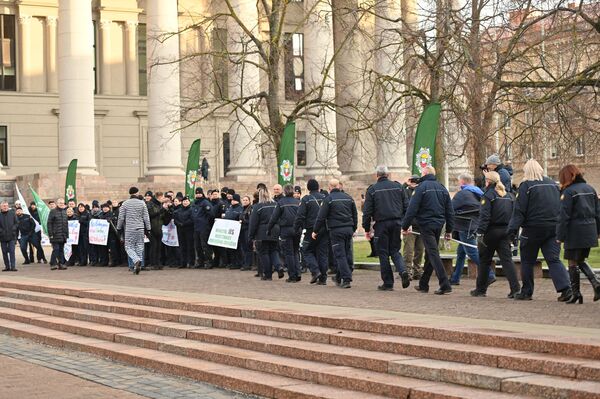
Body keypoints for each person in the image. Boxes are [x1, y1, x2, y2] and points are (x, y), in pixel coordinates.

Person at [508, 159, 572, 301]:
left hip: (532, 228)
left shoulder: (526, 186)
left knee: (527, 261)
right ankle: (566, 288)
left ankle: (527, 291)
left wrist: (512, 231)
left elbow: (519, 211)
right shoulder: (552, 184)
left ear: (526, 171)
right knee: (553, 259)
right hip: (553, 227)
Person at [402, 166, 454, 295]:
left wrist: (404, 226)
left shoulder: (421, 188)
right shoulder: (442, 188)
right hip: (438, 225)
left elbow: (412, 209)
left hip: (426, 224)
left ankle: (444, 283)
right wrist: (449, 230)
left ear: (424, 173)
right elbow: (449, 211)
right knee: (432, 253)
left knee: (433, 254)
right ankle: (424, 283)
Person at [470, 171, 520, 298]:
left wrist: (480, 233)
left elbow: (484, 217)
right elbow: (514, 216)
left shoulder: (488, 196)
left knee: (485, 261)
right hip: (505, 231)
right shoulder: (509, 196)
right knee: (507, 261)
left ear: (488, 181)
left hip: (490, 232)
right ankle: (515, 289)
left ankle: (480, 289)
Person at [556, 165, 600, 303]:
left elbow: (564, 217)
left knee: (572, 261)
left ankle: (577, 293)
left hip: (575, 231)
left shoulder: (568, 192)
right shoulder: (590, 189)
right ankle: (595, 284)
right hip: (589, 230)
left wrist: (560, 236)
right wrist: (598, 231)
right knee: (580, 260)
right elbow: (598, 213)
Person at [362, 166, 410, 291]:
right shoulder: (398, 187)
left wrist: (366, 228)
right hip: (396, 222)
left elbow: (367, 212)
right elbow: (406, 206)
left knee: (383, 253)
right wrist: (405, 223)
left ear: (377, 175)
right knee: (395, 251)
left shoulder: (372, 190)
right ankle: (403, 270)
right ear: (388, 174)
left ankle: (388, 282)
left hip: (381, 224)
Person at [449, 173, 496, 285]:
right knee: (461, 252)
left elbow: (450, 208)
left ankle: (489, 274)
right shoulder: (479, 192)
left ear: (462, 182)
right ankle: (455, 278)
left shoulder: (462, 194)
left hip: (465, 226)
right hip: (475, 225)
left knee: (471, 252)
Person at [313, 179, 358, 289]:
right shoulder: (349, 198)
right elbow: (355, 214)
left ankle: (346, 278)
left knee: (339, 255)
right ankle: (338, 277)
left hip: (336, 230)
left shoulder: (328, 199)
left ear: (329, 187)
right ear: (339, 186)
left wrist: (315, 230)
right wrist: (354, 228)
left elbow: (321, 217)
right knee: (346, 254)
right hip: (348, 229)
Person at [295, 179, 328, 285]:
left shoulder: (306, 199)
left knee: (306, 250)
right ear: (318, 187)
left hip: (311, 229)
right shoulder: (325, 198)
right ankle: (323, 278)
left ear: (308, 188)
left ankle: (315, 271)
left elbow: (300, 215)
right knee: (322, 253)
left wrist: (296, 227)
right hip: (324, 229)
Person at [268, 184, 301, 282]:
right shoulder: (298, 202)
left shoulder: (281, 202)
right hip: (297, 229)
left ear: (284, 192)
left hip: (286, 230)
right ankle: (298, 272)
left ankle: (292, 276)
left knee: (289, 253)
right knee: (295, 251)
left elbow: (274, 217)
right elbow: (302, 216)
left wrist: (269, 228)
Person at [249, 188, 281, 280]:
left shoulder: (258, 206)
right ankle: (279, 266)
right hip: (275, 230)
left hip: (262, 232)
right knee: (274, 251)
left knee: (264, 253)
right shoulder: (275, 204)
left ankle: (268, 274)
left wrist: (251, 236)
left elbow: (253, 222)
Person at [117, 187, 151, 274]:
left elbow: (121, 217)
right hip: (140, 228)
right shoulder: (142, 203)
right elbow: (146, 217)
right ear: (137, 193)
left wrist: (119, 228)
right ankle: (138, 265)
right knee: (139, 246)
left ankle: (136, 260)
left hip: (130, 228)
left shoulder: (125, 204)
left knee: (128, 246)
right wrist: (148, 228)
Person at [402, 175, 424, 280]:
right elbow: (399, 194)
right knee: (408, 250)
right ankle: (407, 271)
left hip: (420, 225)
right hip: (410, 226)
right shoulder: (405, 192)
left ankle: (417, 270)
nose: (414, 182)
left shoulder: (422, 191)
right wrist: (406, 183)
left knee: (420, 250)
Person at [192, 187, 213, 269]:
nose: (198, 194)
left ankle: (208, 261)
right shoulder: (194, 203)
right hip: (196, 227)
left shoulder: (205, 202)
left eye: (199, 193)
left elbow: (211, 214)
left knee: (205, 245)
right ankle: (200, 261)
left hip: (204, 227)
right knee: (197, 246)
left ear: (202, 193)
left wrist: (206, 222)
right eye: (197, 193)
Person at [224, 194, 244, 269]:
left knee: (237, 248)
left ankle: (239, 263)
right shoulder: (229, 208)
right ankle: (233, 262)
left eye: (234, 200)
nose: (232, 201)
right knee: (230, 248)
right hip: (229, 230)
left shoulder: (240, 208)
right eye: (232, 200)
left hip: (236, 230)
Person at [173, 196, 195, 268]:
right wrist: (179, 223)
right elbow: (175, 219)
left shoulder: (191, 210)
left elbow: (192, 219)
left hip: (189, 230)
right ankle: (183, 263)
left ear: (189, 202)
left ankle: (191, 262)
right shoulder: (179, 210)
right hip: (180, 230)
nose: (185, 202)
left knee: (190, 246)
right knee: (182, 247)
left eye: (187, 201)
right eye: (184, 201)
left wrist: (184, 224)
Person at [47, 198, 68, 270]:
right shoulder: (53, 211)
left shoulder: (65, 212)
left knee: (61, 250)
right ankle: (53, 263)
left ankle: (61, 264)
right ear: (57, 204)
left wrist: (66, 234)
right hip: (55, 234)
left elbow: (66, 224)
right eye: (60, 203)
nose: (62, 204)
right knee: (56, 249)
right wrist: (51, 234)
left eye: (63, 203)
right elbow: (49, 223)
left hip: (62, 235)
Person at [145, 191, 163, 269]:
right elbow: (149, 215)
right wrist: (160, 211)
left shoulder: (159, 205)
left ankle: (158, 263)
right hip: (151, 228)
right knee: (154, 246)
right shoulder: (150, 204)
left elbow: (162, 216)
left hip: (158, 227)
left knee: (159, 246)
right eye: (162, 197)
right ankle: (153, 263)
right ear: (158, 197)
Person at [0, 202, 18, 272]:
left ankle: (13, 266)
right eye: (3, 206)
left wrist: (13, 229)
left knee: (12, 251)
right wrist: (1, 231)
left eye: (6, 206)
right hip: (2, 237)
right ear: (1, 207)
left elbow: (17, 223)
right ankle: (7, 266)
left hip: (12, 236)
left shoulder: (12, 213)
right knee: (4, 252)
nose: (5, 207)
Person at [239, 195, 254, 271]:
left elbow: (251, 221)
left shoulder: (250, 209)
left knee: (248, 248)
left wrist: (243, 221)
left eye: (246, 200)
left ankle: (248, 264)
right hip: (242, 230)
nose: (244, 201)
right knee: (244, 248)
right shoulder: (242, 209)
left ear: (249, 201)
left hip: (247, 230)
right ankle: (245, 263)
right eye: (243, 200)